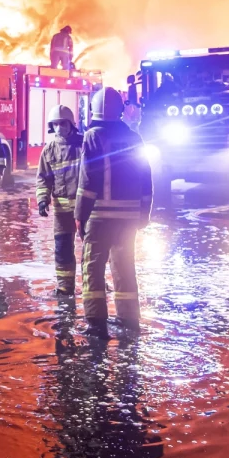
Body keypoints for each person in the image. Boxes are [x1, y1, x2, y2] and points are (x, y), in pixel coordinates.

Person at [75, 87, 153, 339]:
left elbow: (88, 179)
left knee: (93, 267)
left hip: (99, 216)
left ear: (94, 110)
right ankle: (129, 320)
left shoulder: (92, 136)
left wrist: (80, 215)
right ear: (119, 110)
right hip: (128, 217)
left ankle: (96, 324)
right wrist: (144, 214)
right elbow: (146, 178)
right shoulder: (134, 138)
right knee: (124, 266)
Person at [36, 105, 84, 295]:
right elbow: (43, 179)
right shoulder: (49, 151)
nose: (59, 128)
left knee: (90, 251)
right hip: (62, 212)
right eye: (55, 124)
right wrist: (42, 199)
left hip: (85, 210)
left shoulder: (84, 145)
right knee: (62, 251)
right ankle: (65, 288)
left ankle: (93, 286)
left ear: (71, 124)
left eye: (62, 123)